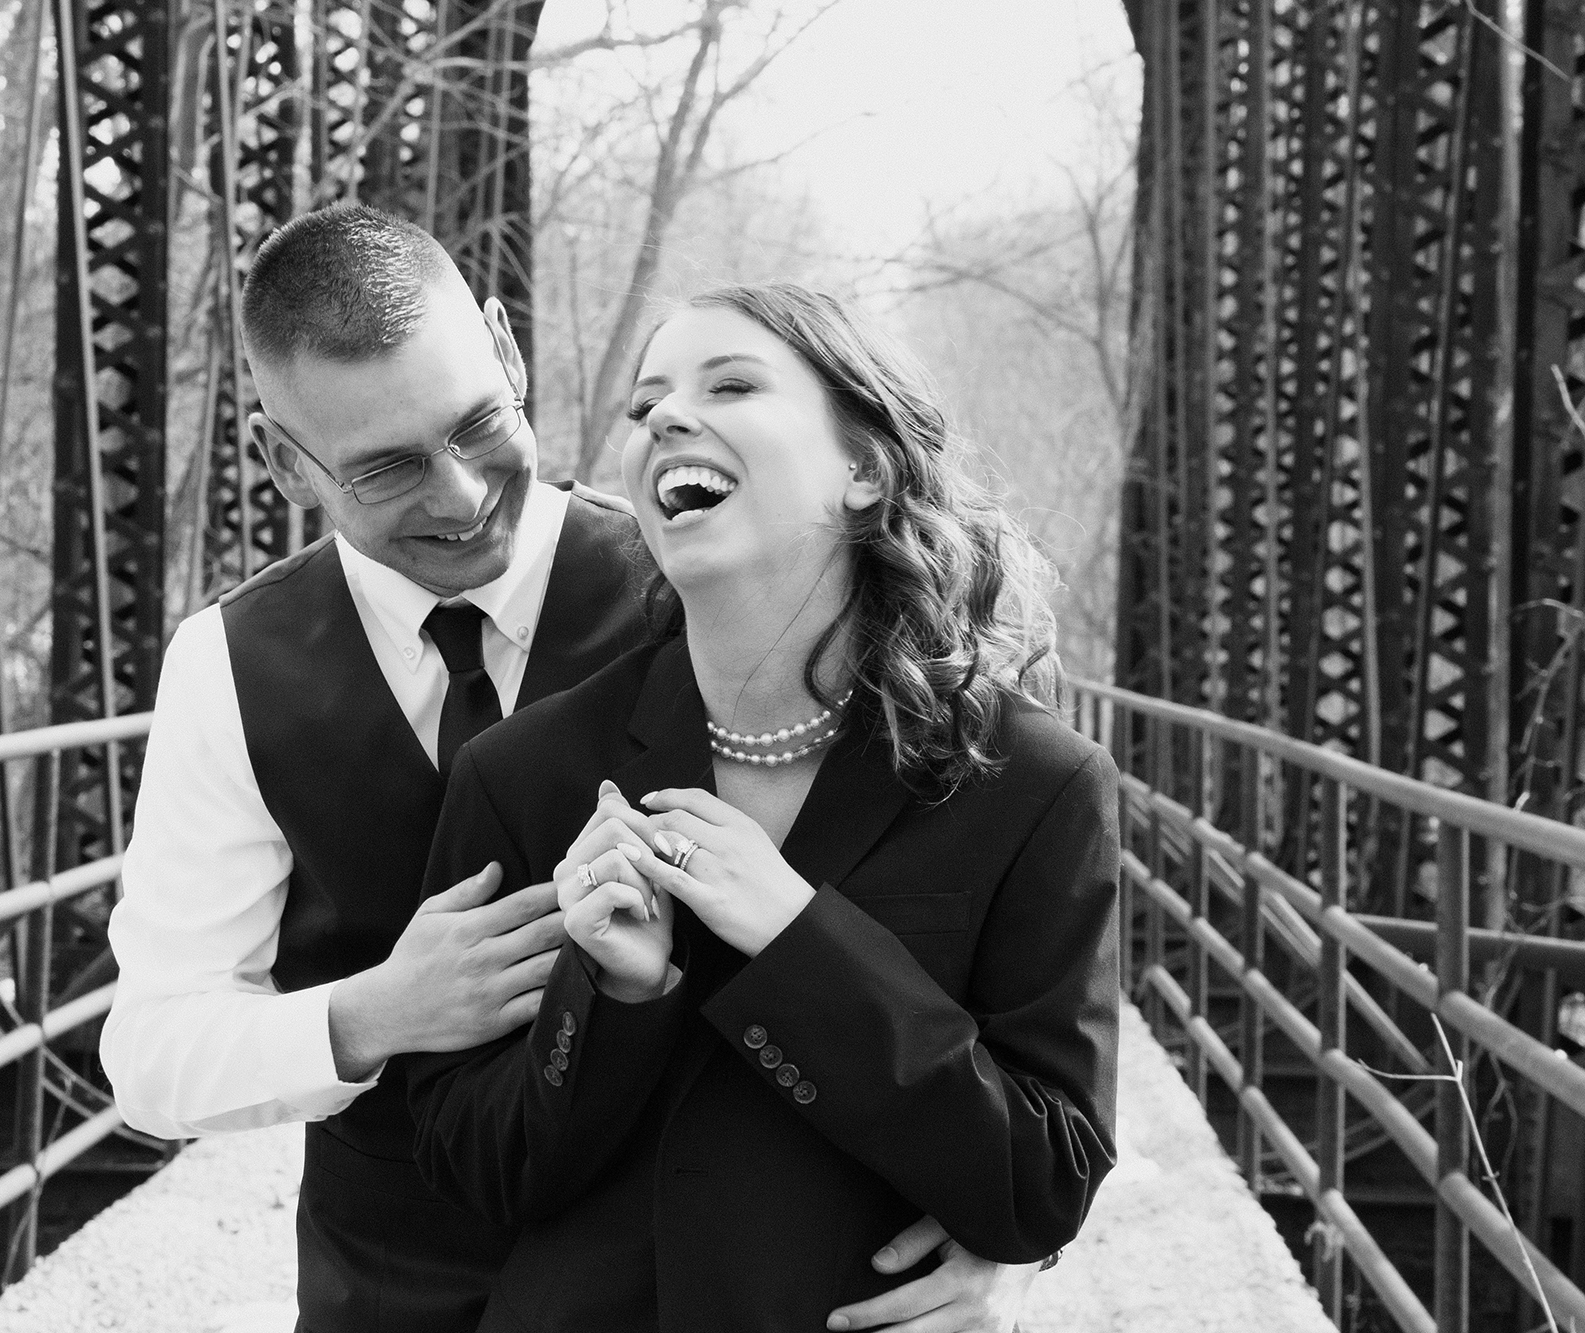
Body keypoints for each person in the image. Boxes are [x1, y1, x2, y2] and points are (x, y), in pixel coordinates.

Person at [101, 206, 1043, 1333]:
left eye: (478, 424)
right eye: (387, 467)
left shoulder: (716, 573)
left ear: (506, 348)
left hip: (668, 1292)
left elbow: (962, 906)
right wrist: (368, 1015)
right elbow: (150, 1053)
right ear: (280, 462)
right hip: (389, 1295)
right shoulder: (226, 666)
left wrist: (1005, 1233)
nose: (457, 494)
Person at [408, 282, 1121, 1332]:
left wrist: (799, 943)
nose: (663, 420)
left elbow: (1045, 1181)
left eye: (729, 383)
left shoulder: (1029, 783)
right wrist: (615, 997)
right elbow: (472, 1169)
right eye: (644, 404)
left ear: (865, 472)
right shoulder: (522, 772)